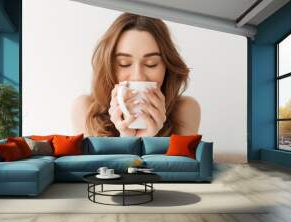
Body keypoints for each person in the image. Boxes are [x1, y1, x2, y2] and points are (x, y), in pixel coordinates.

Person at [71, 12, 200, 137]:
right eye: (124, 63)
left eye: (151, 64)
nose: (138, 76)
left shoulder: (185, 110)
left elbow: (181, 160)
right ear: (108, 66)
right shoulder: (85, 110)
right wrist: (126, 139)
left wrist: (148, 139)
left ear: (167, 67)